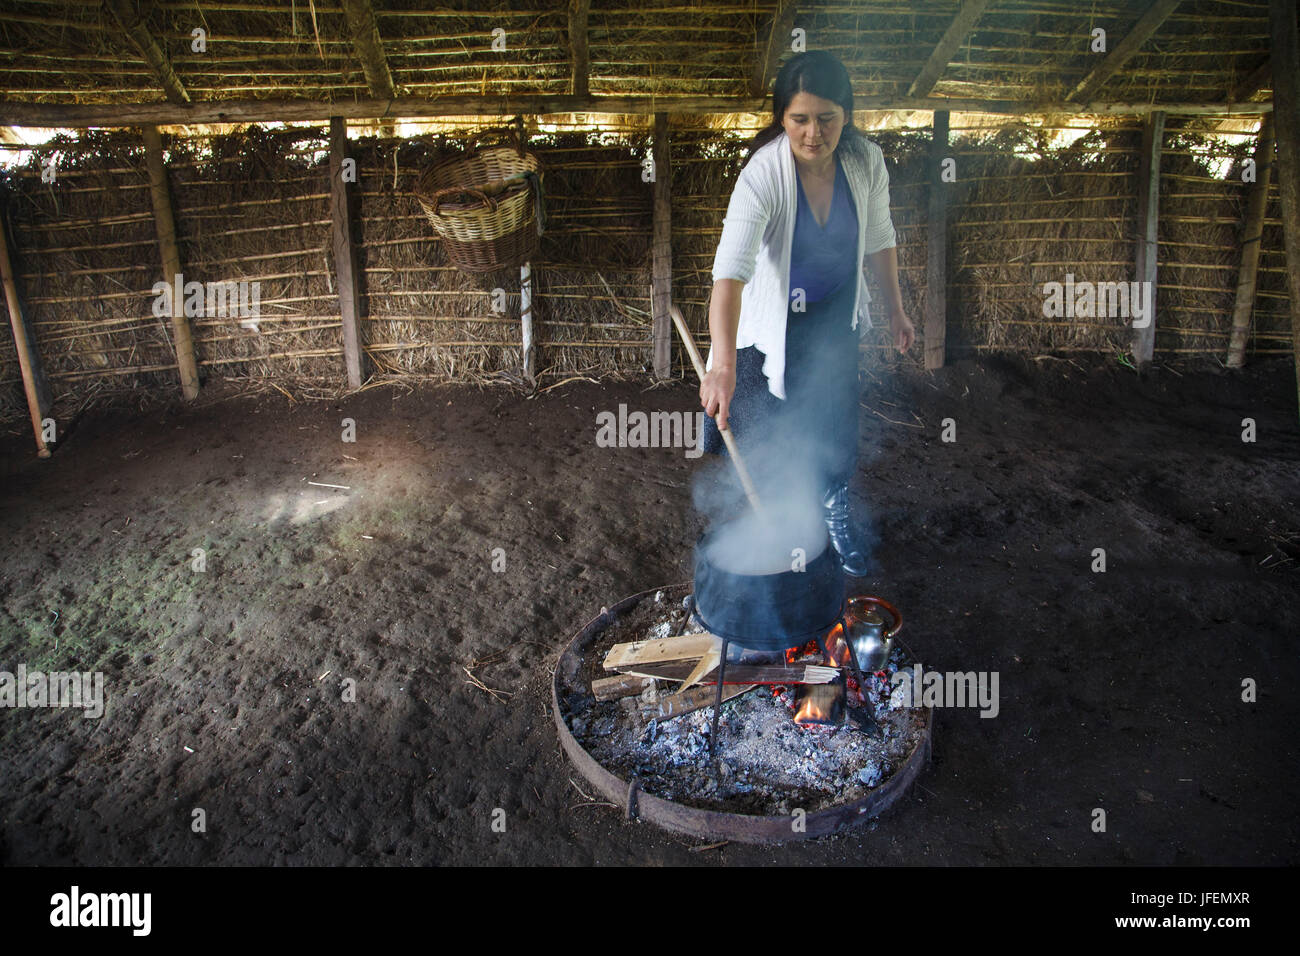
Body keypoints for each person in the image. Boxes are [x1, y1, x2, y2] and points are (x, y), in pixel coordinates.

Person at [699, 50, 914, 576]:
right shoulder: (763, 177)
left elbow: (881, 239)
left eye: (827, 118)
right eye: (799, 119)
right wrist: (722, 363)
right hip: (771, 323)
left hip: (834, 318)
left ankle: (831, 510)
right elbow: (729, 275)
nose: (813, 133)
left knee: (832, 422)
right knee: (756, 428)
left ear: (847, 115)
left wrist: (897, 311)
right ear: (782, 118)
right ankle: (757, 529)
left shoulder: (865, 163)